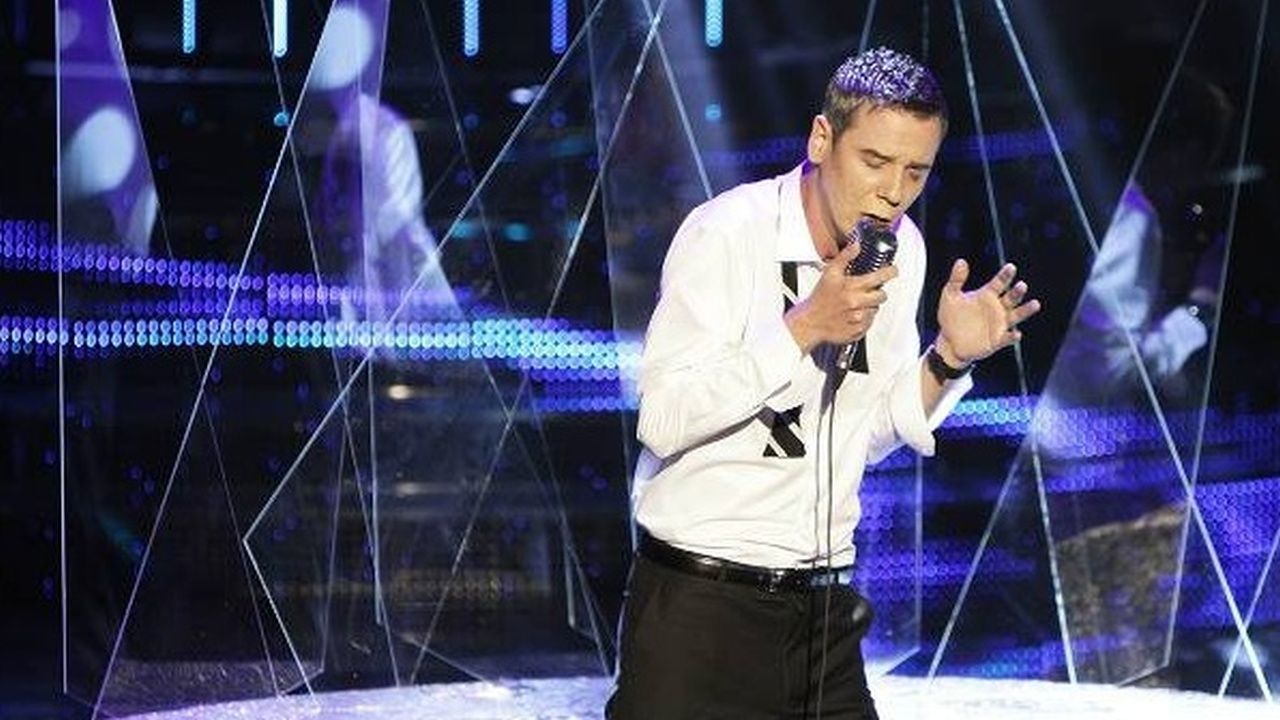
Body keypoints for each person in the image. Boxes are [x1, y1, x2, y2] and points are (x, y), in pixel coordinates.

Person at [605, 46, 1042, 719]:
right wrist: (804, 326)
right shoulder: (728, 233)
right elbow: (662, 419)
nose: (893, 192)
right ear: (821, 139)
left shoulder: (901, 249)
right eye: (874, 161)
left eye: (915, 171)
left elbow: (865, 435)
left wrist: (948, 360)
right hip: (700, 609)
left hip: (822, 613)